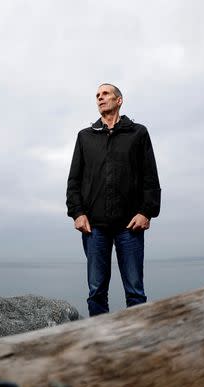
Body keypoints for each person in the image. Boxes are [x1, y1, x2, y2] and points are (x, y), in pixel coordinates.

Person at [66, 83, 161, 317]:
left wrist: (146, 212)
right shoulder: (85, 137)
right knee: (96, 290)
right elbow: (74, 180)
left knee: (135, 292)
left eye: (105, 94)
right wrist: (77, 213)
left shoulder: (138, 133)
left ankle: (138, 342)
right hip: (94, 227)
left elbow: (150, 177)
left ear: (119, 100)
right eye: (97, 95)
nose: (100, 98)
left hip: (130, 225)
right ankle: (101, 343)